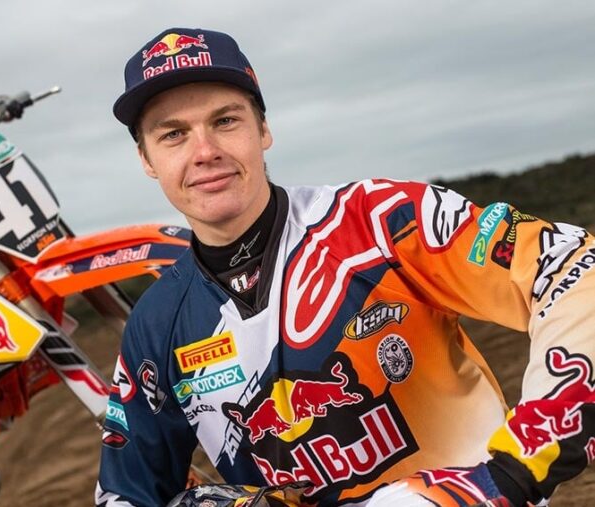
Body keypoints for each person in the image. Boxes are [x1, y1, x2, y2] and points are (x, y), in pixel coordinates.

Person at [96, 27, 595, 506]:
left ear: (263, 130)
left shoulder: (381, 220)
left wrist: (517, 467)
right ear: (147, 159)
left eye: (225, 121)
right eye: (174, 134)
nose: (205, 152)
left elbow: (575, 267)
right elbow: (126, 493)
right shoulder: (156, 324)